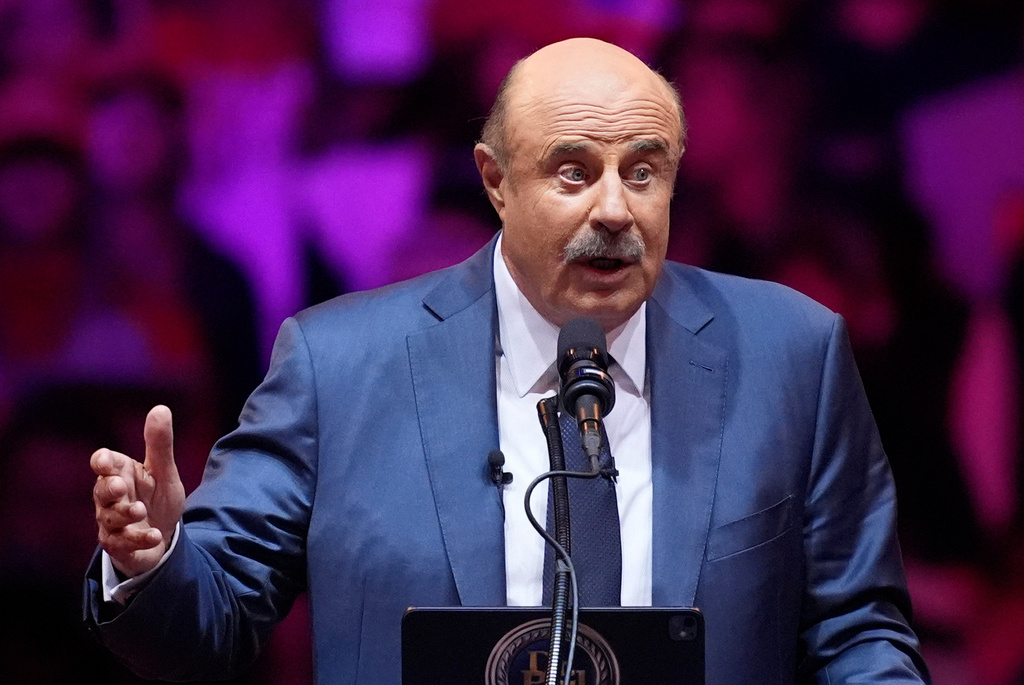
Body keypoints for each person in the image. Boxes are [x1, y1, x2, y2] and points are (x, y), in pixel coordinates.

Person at [86, 38, 929, 684]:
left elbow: (857, 631)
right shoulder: (338, 366)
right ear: (496, 180)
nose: (615, 209)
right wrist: (153, 562)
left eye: (644, 172)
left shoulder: (792, 353)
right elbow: (208, 624)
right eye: (574, 171)